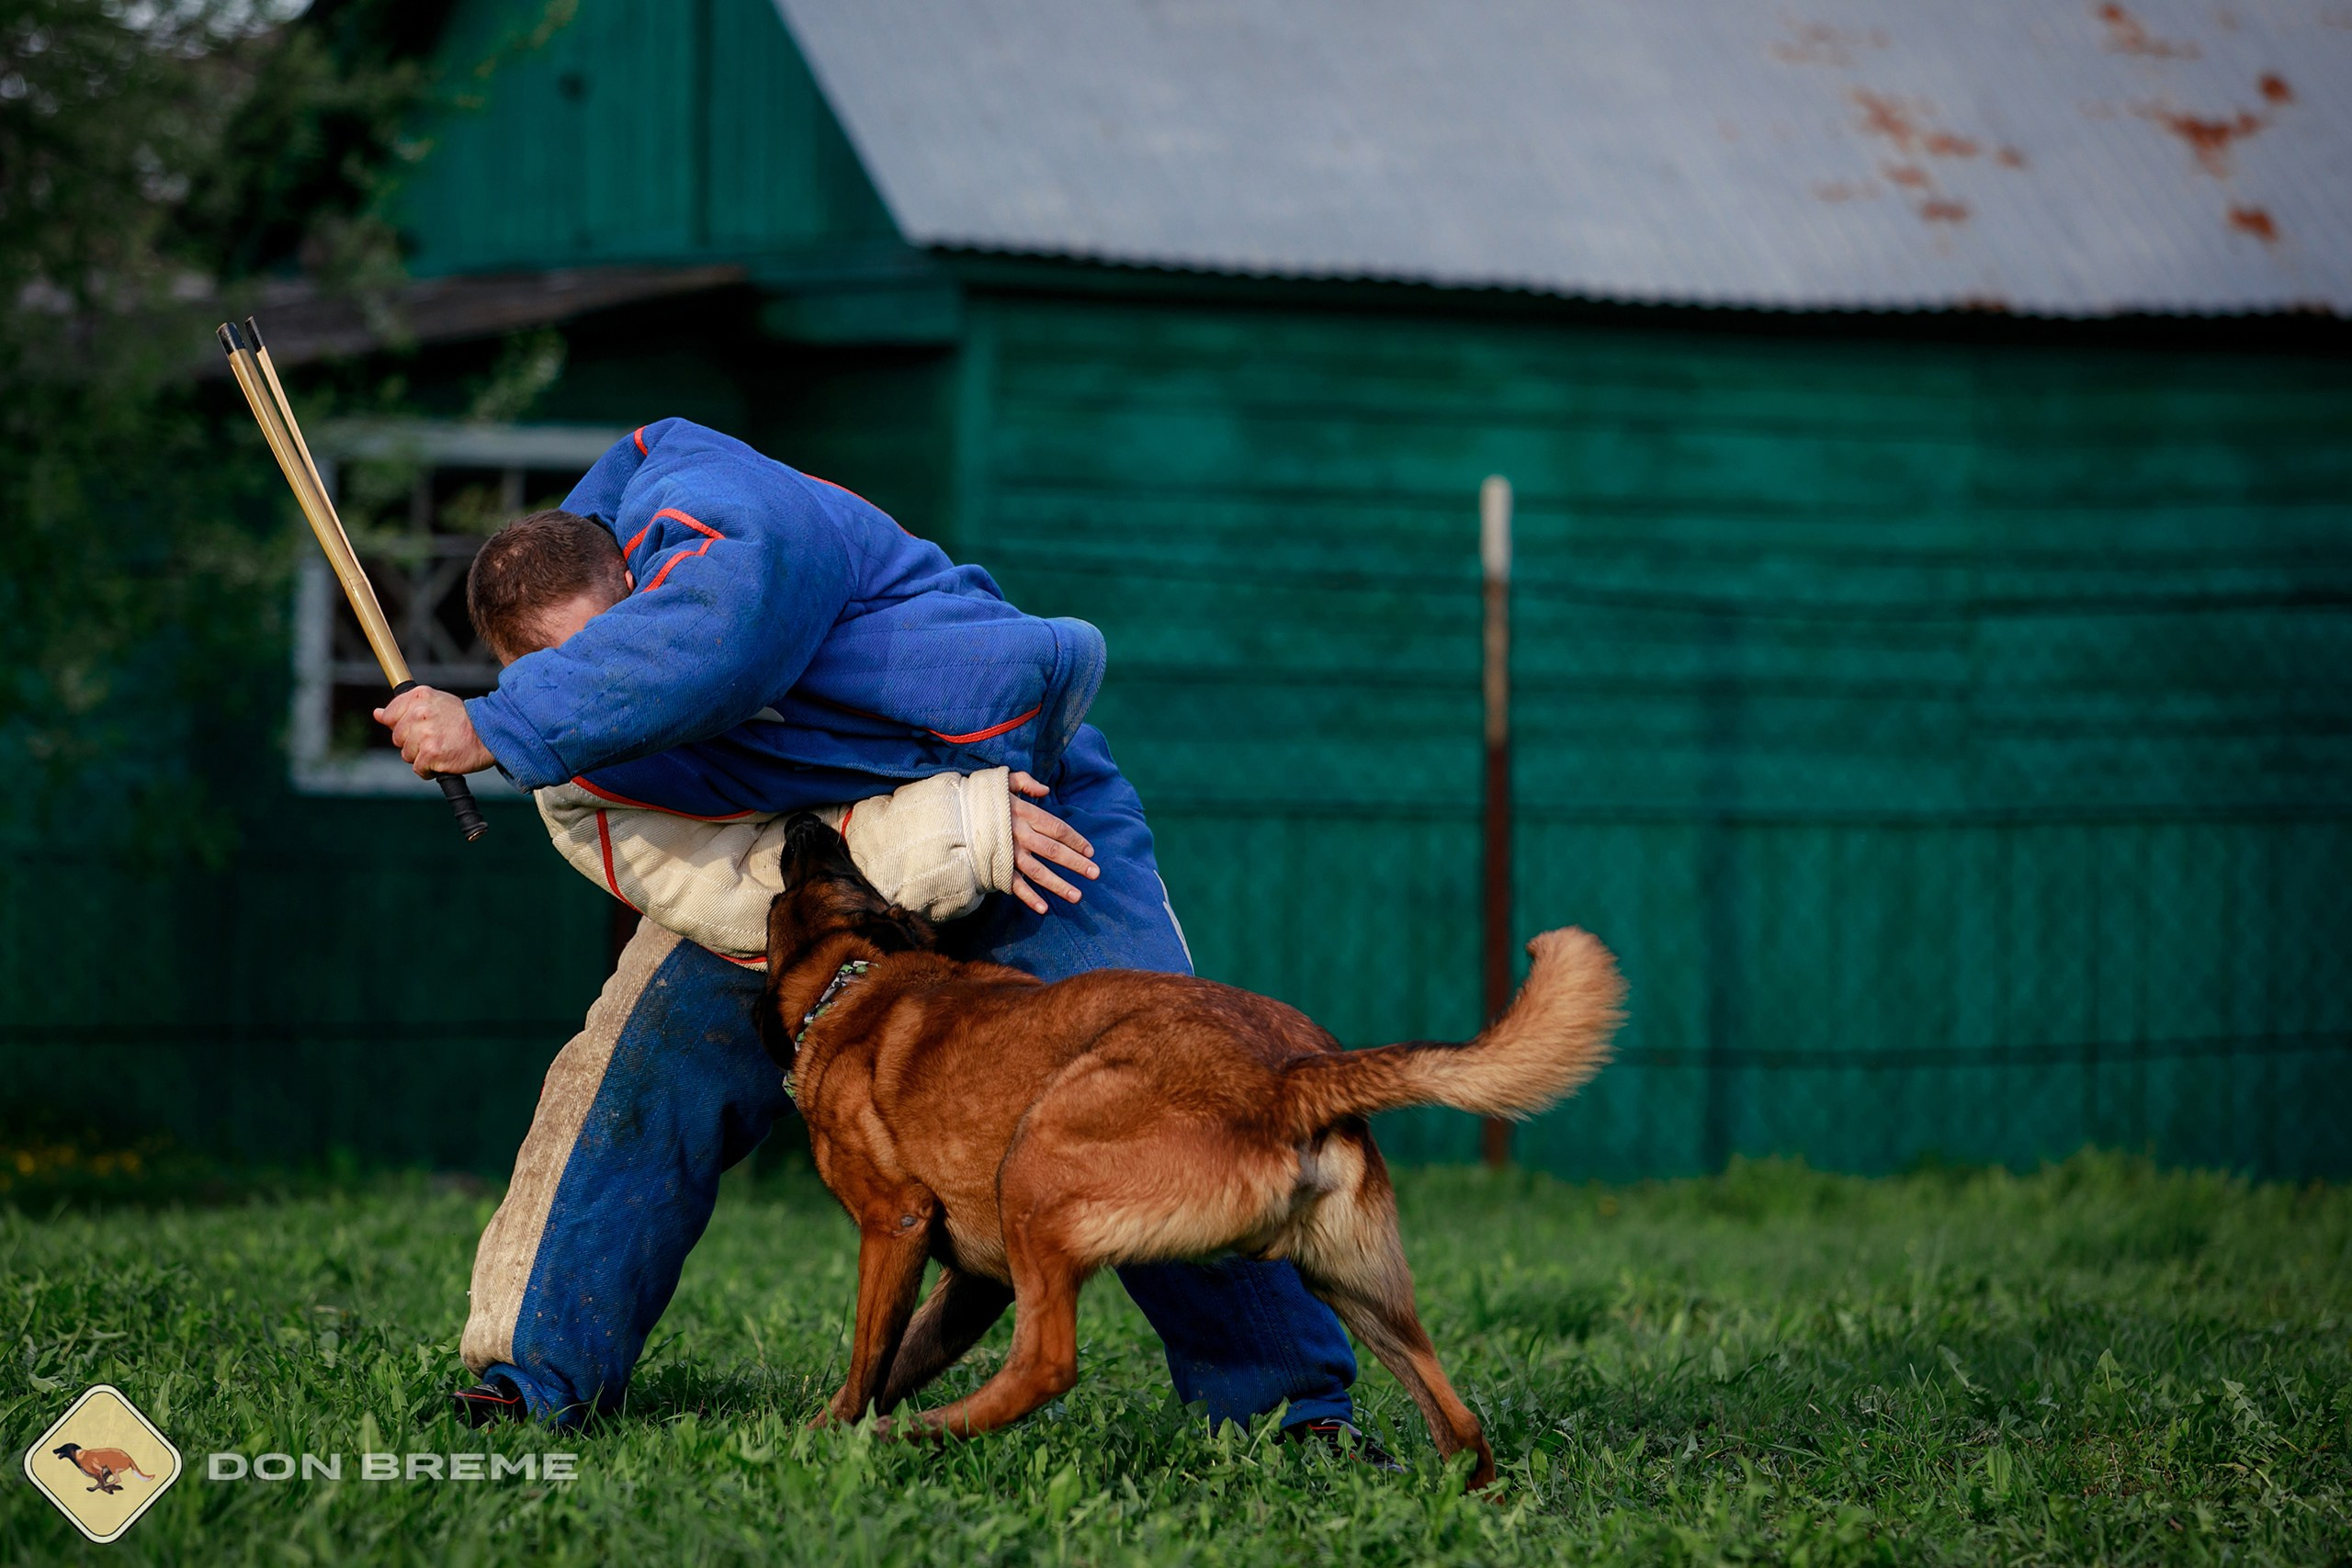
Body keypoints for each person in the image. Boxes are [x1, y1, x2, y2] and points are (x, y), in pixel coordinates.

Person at [377, 418, 1389, 1461]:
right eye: (568, 675)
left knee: (1163, 1088)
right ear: (518, 664)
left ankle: (1289, 1407)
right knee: (630, 1072)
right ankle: (534, 1381)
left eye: (619, 642)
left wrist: (501, 724)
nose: (616, 687)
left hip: (1037, 815)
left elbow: (719, 631)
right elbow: (710, 885)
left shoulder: (709, 505)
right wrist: (949, 836)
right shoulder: (565, 753)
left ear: (638, 570)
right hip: (821, 894)